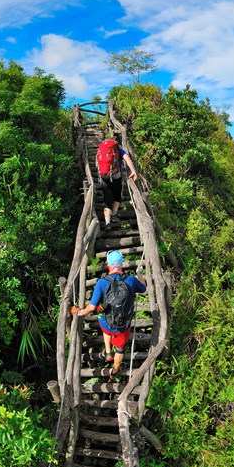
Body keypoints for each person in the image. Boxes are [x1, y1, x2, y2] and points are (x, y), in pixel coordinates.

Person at [71, 250, 146, 380]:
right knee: (121, 349)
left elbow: (92, 307)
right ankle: (115, 370)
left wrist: (80, 312)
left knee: (101, 315)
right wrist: (139, 274)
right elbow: (144, 288)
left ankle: (108, 352)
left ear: (108, 264)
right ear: (122, 264)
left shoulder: (101, 282)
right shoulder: (131, 280)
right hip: (123, 325)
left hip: (106, 323)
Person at [99, 141, 138, 231]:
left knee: (107, 201)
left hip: (105, 177)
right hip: (116, 177)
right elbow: (127, 159)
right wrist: (133, 171)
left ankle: (107, 223)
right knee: (117, 197)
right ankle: (114, 215)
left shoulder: (101, 150)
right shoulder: (118, 150)